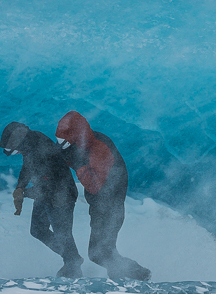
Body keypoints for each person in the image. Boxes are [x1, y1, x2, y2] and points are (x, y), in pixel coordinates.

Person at [55, 111, 151, 281]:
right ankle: (121, 284)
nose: (60, 145)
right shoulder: (84, 143)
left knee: (99, 253)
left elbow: (94, 185)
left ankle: (142, 275)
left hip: (110, 206)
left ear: (75, 137)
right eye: (58, 141)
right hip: (99, 205)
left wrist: (76, 163)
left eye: (63, 142)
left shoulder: (99, 149)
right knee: (106, 252)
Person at [0, 121, 84, 278]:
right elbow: (27, 167)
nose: (16, 153)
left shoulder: (40, 151)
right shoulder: (30, 142)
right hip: (46, 194)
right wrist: (20, 187)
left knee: (63, 234)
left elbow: (47, 189)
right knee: (38, 230)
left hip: (61, 196)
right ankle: (72, 258)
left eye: (14, 151)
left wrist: (24, 193)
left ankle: (74, 272)